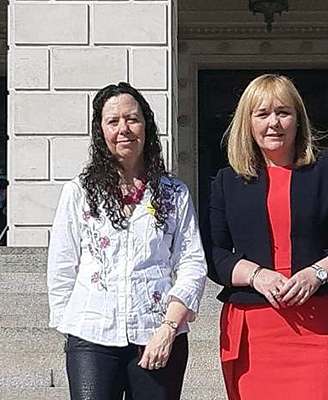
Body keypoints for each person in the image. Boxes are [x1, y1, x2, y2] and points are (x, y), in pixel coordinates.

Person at [203, 74, 328, 400]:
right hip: (255, 330)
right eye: (262, 114)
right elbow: (213, 251)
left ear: (298, 119)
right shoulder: (227, 181)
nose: (274, 123)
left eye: (283, 112)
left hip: (324, 324)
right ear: (248, 123)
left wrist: (318, 273)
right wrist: (256, 276)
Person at [47, 82, 207, 400]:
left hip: (158, 333)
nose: (124, 129)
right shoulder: (79, 192)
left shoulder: (174, 193)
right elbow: (62, 263)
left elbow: (192, 262)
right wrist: (71, 324)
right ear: (100, 130)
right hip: (91, 335)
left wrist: (169, 328)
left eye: (132, 119)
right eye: (113, 121)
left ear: (146, 125)